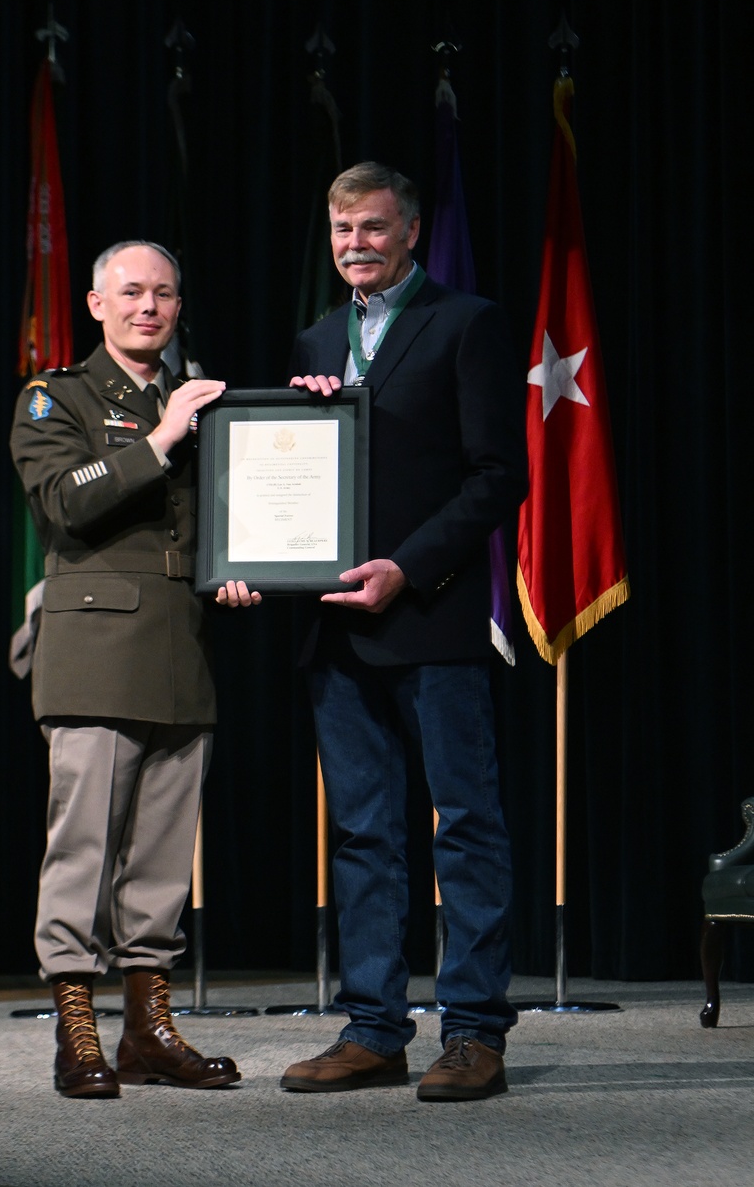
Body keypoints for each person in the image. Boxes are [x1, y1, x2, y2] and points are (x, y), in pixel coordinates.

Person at [278, 162, 528, 1101]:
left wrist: (407, 569)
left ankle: (472, 1032)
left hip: (433, 619)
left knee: (464, 825)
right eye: (343, 230)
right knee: (362, 833)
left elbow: (498, 475)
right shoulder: (312, 339)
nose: (356, 246)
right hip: (335, 630)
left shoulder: (467, 324)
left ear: (411, 232)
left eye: (374, 229)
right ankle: (375, 1028)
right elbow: (293, 478)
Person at [10, 240, 258, 1099]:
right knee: (81, 851)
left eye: (162, 294)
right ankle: (75, 1030)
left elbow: (230, 512)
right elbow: (67, 501)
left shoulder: (209, 400)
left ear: (179, 306)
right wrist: (161, 436)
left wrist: (240, 565)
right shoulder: (58, 397)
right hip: (93, 654)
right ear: (95, 304)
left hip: (181, 649)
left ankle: (147, 1030)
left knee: (159, 860)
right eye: (131, 293)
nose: (148, 306)